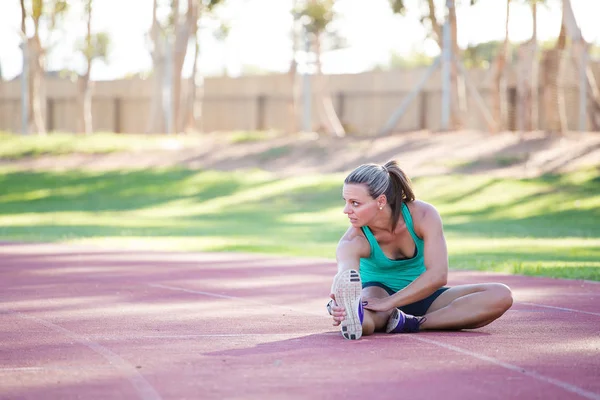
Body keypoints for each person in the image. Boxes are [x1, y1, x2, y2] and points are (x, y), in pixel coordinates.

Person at [328, 160, 513, 340]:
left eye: (355, 203)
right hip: (378, 296)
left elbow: (438, 275)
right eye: (346, 201)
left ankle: (413, 322)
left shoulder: (423, 215)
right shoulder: (352, 241)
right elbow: (345, 275)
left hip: (424, 297)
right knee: (363, 322)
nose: (346, 210)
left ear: (381, 201)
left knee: (500, 295)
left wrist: (391, 303)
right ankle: (360, 318)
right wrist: (341, 303)